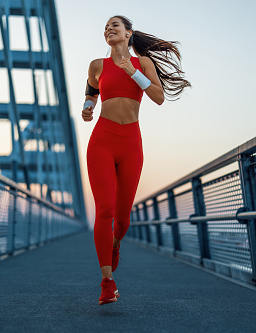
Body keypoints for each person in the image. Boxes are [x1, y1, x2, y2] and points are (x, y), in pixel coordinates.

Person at [81, 15, 190, 305]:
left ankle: (116, 245)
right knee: (104, 210)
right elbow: (91, 91)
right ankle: (107, 282)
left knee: (123, 217)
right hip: (102, 140)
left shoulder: (143, 64)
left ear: (128, 33)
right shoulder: (97, 65)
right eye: (105, 27)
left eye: (114, 26)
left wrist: (132, 71)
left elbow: (158, 97)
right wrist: (87, 107)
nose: (108, 30)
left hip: (130, 142)